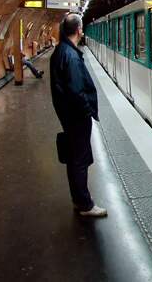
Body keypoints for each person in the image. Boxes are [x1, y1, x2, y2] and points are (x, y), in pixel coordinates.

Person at [50, 13, 107, 217]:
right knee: (79, 161)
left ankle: (78, 199)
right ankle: (85, 204)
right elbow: (76, 90)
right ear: (78, 30)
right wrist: (87, 111)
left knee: (74, 159)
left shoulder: (61, 51)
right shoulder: (71, 55)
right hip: (76, 117)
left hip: (68, 115)